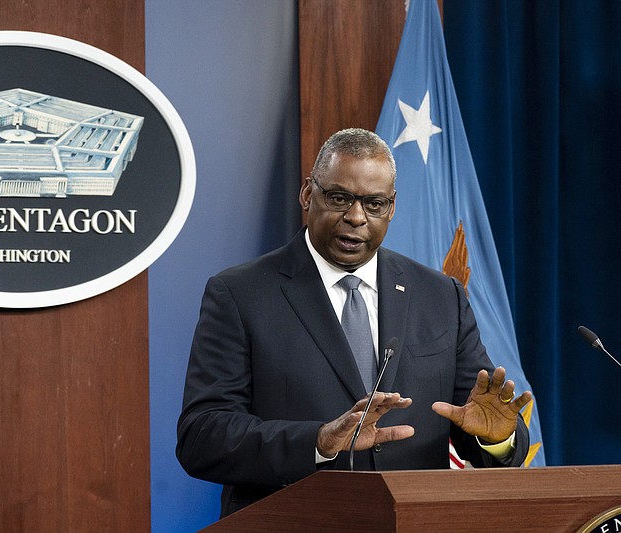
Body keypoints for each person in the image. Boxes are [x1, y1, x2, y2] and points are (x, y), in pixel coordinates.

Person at [176, 128, 531, 518]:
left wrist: (496, 440)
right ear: (308, 195)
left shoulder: (440, 295)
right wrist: (320, 441)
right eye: (339, 198)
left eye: (374, 203)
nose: (356, 217)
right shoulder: (241, 293)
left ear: (392, 208)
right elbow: (202, 436)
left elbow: (475, 417)